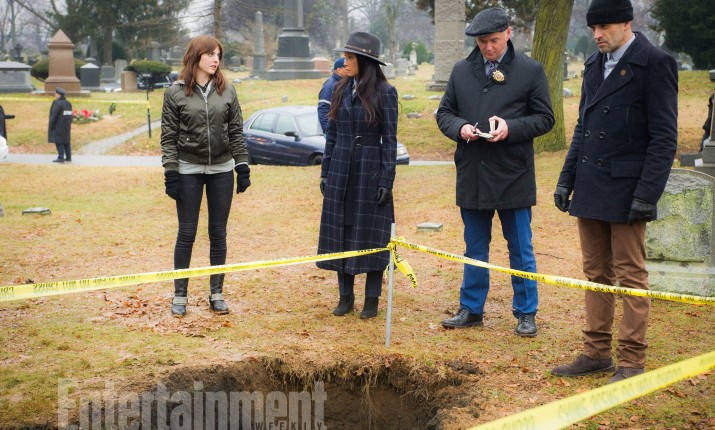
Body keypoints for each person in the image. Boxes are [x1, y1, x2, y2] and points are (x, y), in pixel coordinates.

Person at [551, 0, 677, 384]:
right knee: (595, 273)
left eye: (604, 27)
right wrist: (566, 178)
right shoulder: (594, 63)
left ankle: (632, 361)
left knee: (630, 276)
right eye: (593, 28)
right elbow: (583, 127)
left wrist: (647, 194)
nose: (597, 35)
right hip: (591, 186)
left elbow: (664, 138)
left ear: (626, 23)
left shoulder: (655, 63)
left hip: (628, 190)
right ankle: (596, 353)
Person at [435, 8, 554, 337]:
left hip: (513, 174)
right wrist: (460, 127)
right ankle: (471, 308)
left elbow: (545, 118)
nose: (488, 48)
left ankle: (526, 312)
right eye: (482, 42)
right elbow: (444, 113)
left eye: (494, 40)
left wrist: (511, 128)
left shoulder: (530, 70)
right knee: (474, 247)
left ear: (508, 34)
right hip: (473, 173)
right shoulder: (462, 71)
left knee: (520, 248)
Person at [160, 35, 251, 317]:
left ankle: (217, 293)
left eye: (218, 55)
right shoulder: (175, 92)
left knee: (218, 233)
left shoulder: (227, 90)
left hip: (221, 171)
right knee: (186, 233)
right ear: (196, 56)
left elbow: (236, 131)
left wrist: (242, 166)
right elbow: (168, 136)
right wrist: (171, 171)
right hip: (187, 170)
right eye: (210, 54)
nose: (216, 59)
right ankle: (180, 295)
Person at [317, 31, 398, 319]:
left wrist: (386, 180)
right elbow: (332, 134)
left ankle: (371, 299)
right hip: (341, 167)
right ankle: (345, 296)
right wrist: (326, 172)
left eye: (350, 57)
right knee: (342, 230)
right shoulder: (339, 88)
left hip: (369, 168)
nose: (345, 62)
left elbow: (390, 140)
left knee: (372, 235)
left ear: (364, 60)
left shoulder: (385, 92)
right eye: (345, 56)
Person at [318, 57, 347, 134]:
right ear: (339, 70)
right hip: (334, 133)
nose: (348, 69)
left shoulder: (344, 83)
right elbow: (323, 109)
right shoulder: (329, 86)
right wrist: (329, 132)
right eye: (345, 67)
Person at [48, 87, 73, 163]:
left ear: (59, 95)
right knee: (66, 141)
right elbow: (70, 115)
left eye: (55, 94)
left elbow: (54, 115)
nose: (55, 95)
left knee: (59, 141)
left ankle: (61, 157)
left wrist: (51, 124)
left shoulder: (57, 103)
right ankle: (68, 157)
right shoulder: (68, 103)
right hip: (66, 126)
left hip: (58, 125)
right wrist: (68, 123)